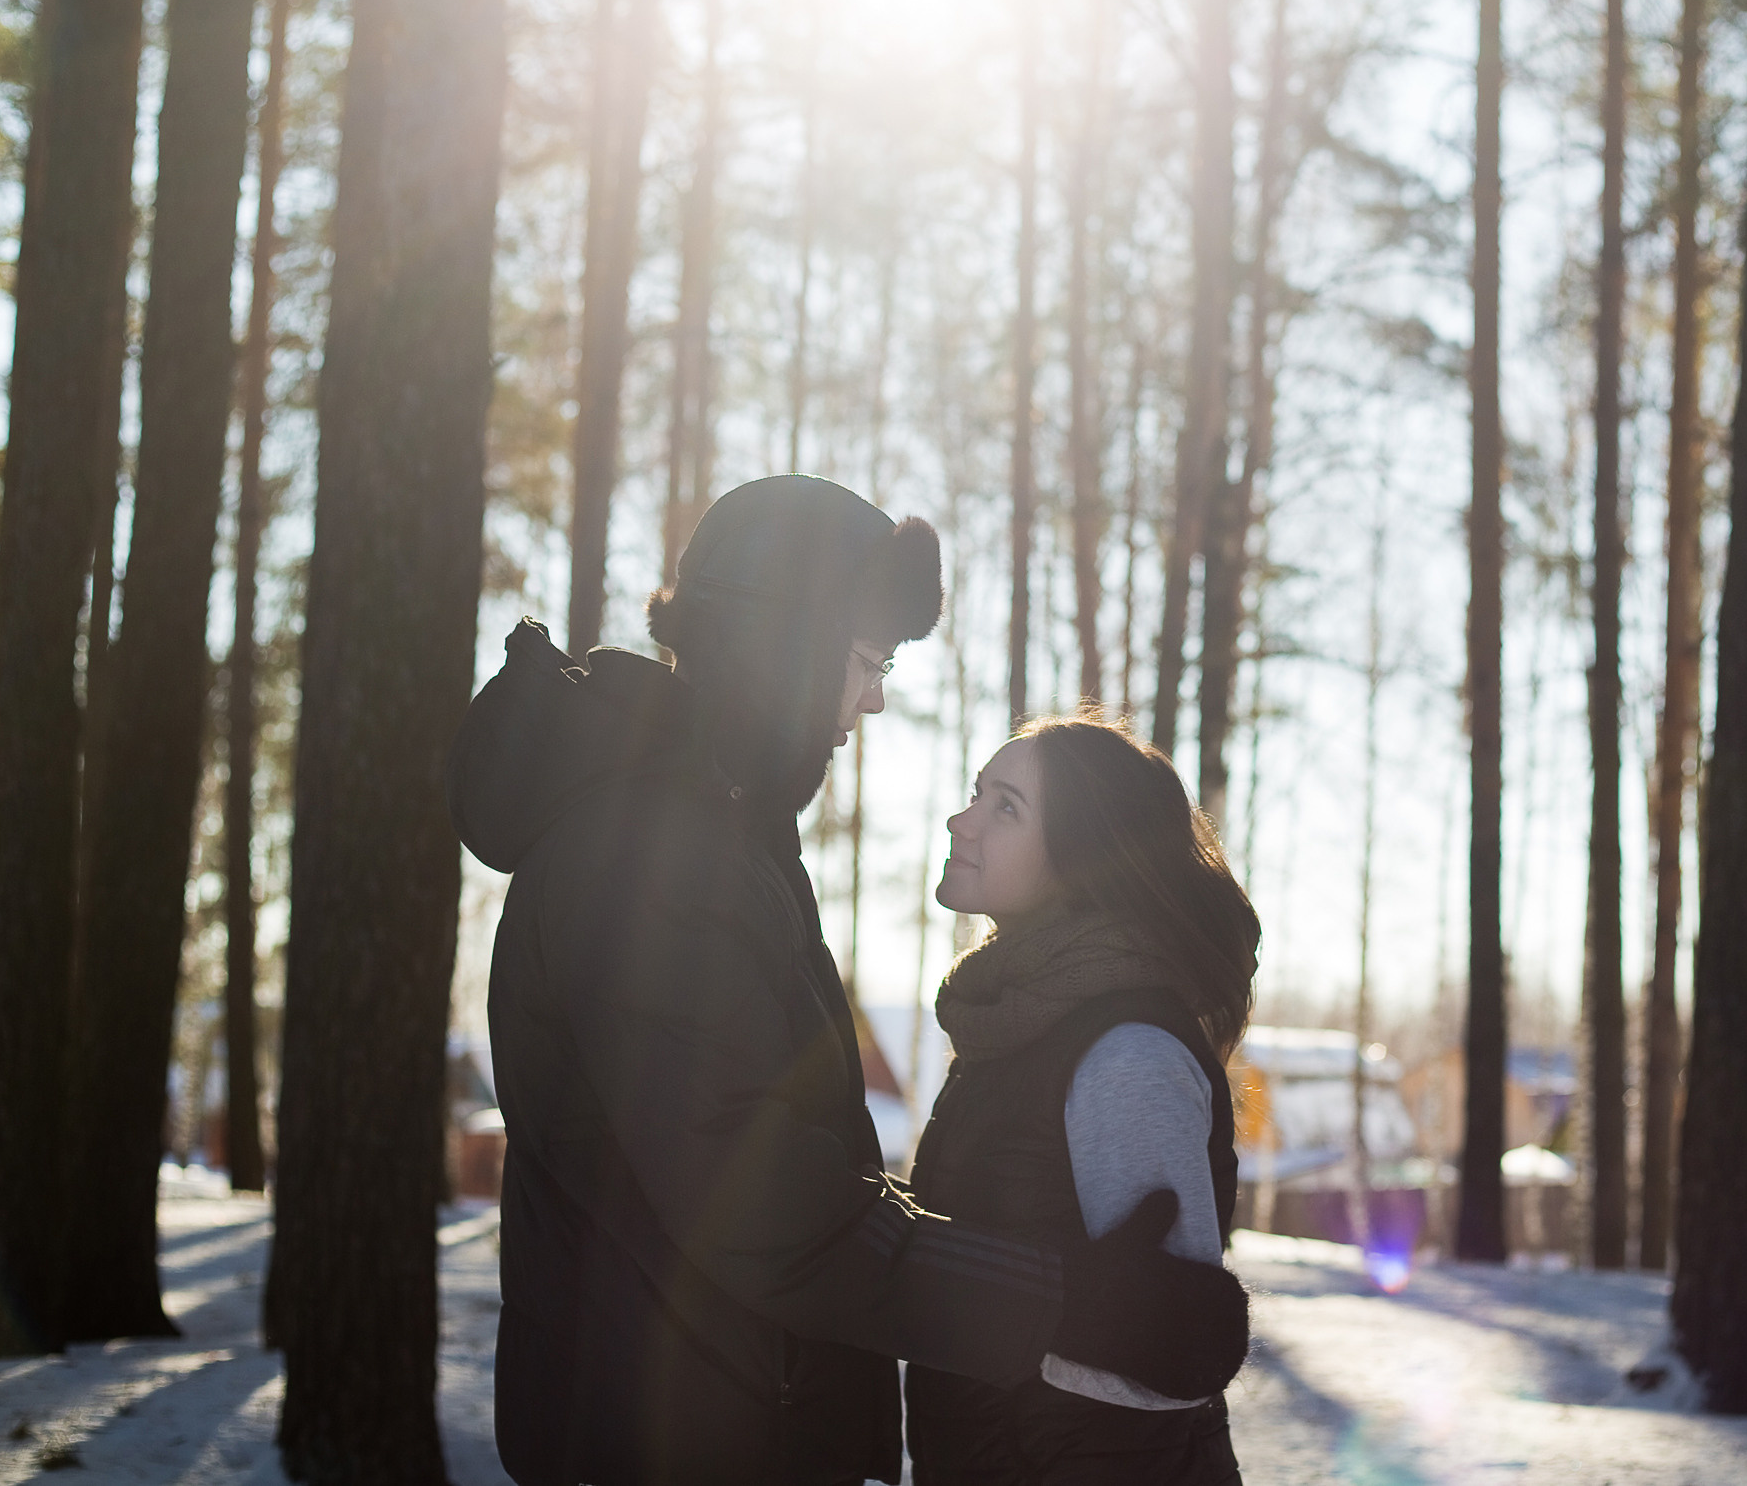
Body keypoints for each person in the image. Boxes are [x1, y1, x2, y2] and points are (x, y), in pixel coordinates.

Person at [449, 477, 1247, 1486]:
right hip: (676, 1441)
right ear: (782, 650)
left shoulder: (716, 838)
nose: (872, 697)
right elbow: (758, 1196)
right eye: (866, 661)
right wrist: (1061, 1301)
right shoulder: (648, 858)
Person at [907, 714, 1261, 1486]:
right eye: (977, 795)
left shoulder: (1126, 1049)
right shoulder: (1022, 1021)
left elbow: (1172, 1349)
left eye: (1005, 807)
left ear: (1080, 857)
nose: (960, 820)